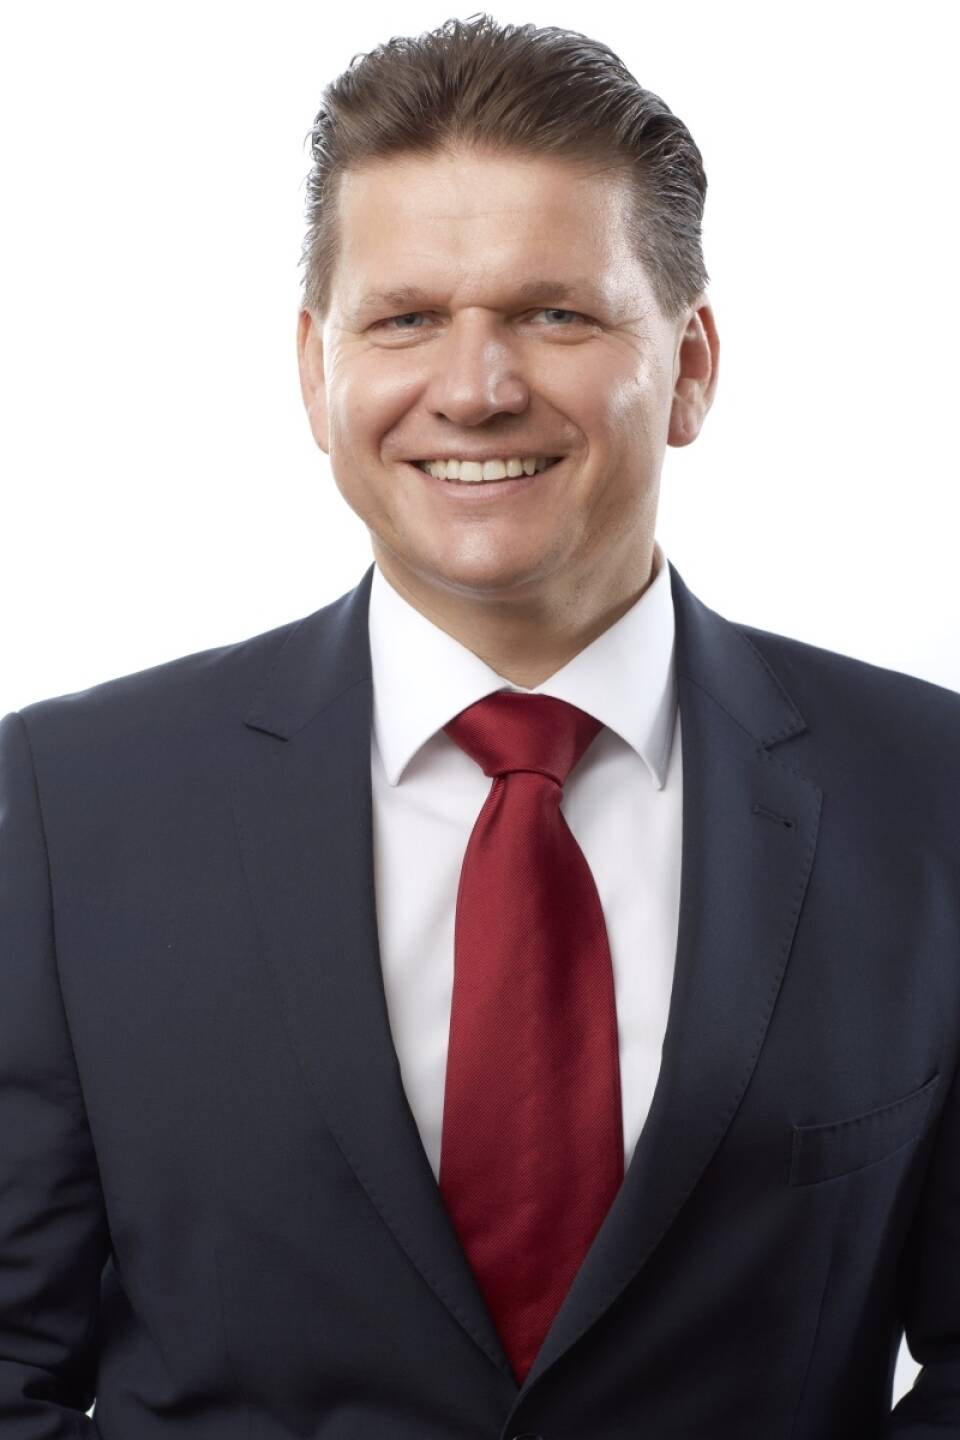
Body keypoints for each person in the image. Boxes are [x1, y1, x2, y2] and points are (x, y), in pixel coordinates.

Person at [0, 13, 957, 1438]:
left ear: (692, 364)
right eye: (405, 319)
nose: (476, 388)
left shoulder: (931, 795)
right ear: (316, 370)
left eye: (555, 313)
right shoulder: (69, 806)